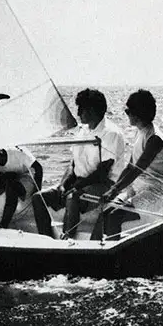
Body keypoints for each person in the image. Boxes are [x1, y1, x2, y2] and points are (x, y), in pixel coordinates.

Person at [32, 88, 125, 238]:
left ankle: (67, 240)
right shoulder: (82, 131)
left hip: (104, 184)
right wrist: (63, 184)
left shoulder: (111, 133)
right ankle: (47, 239)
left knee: (73, 197)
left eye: (82, 109)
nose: (78, 113)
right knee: (38, 197)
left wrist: (76, 187)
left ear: (93, 110)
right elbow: (73, 164)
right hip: (78, 181)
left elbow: (102, 172)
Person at [96, 89, 163, 237]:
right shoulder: (140, 132)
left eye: (127, 111)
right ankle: (97, 250)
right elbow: (130, 166)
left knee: (114, 216)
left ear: (138, 113)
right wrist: (114, 188)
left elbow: (137, 170)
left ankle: (112, 254)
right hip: (137, 188)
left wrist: (115, 190)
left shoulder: (154, 139)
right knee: (105, 213)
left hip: (155, 193)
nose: (126, 114)